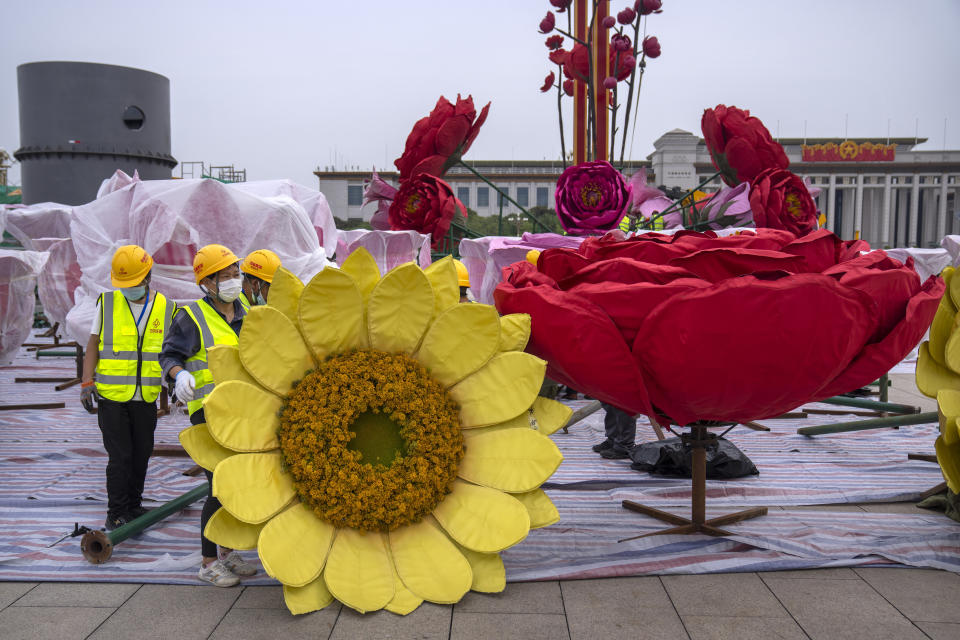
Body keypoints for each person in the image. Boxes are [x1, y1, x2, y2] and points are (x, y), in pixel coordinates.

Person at [159, 244, 255, 587]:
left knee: (239, 485)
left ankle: (228, 551)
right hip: (209, 413)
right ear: (208, 283)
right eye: (226, 276)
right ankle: (207, 561)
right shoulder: (192, 317)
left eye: (236, 274)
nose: (234, 281)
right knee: (217, 487)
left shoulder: (247, 311)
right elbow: (169, 356)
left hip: (244, 413)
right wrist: (178, 375)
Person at [80, 245, 175, 530]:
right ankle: (116, 511)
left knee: (141, 452)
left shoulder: (166, 307)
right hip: (111, 396)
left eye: (133, 283)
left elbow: (170, 350)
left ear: (148, 277)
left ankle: (134, 504)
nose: (128, 289)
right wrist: (87, 382)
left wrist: (172, 384)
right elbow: (93, 343)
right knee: (120, 455)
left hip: (145, 395)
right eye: (124, 284)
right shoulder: (107, 303)